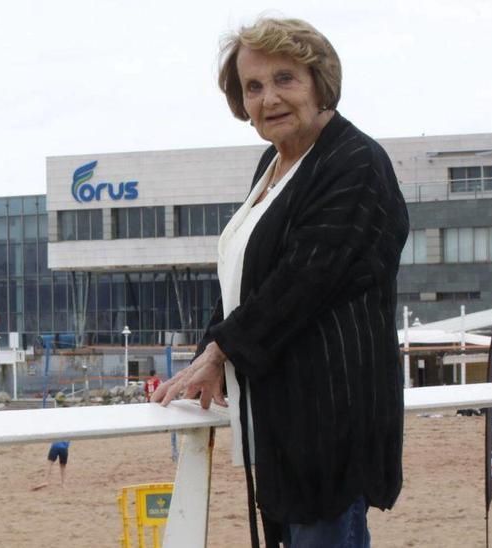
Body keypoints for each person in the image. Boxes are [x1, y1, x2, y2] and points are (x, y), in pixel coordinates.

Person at [150, 16, 408, 548]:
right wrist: (210, 352)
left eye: (285, 78)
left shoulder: (354, 162)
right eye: (253, 86)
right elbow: (246, 282)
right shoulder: (274, 163)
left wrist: (220, 352)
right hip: (280, 419)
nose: (269, 98)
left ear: (319, 81)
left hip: (329, 421)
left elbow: (304, 279)